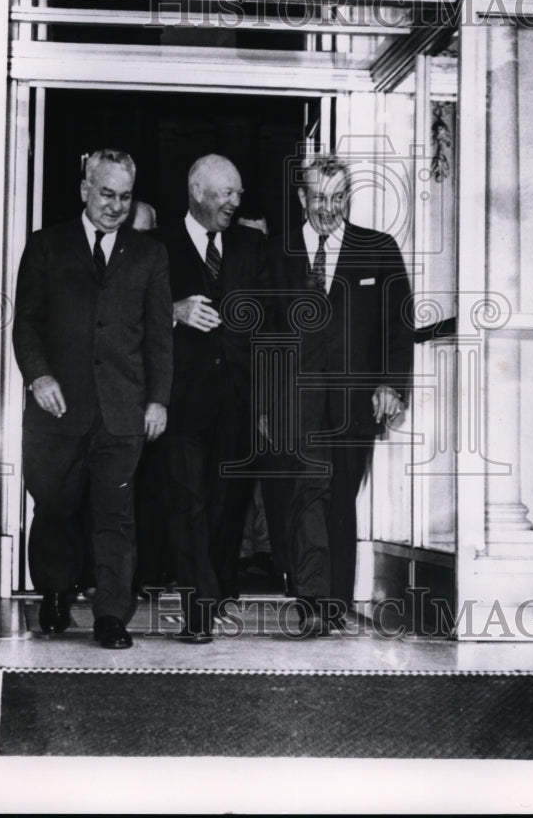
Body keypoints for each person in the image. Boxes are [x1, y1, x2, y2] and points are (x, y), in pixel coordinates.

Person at [12, 149, 173, 650]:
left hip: (122, 409)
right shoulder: (46, 246)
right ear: (85, 189)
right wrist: (38, 376)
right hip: (57, 409)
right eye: (106, 194)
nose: (115, 206)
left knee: (115, 515)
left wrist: (158, 400)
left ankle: (110, 616)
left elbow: (158, 337)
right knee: (54, 506)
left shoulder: (149, 255)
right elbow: (26, 324)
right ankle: (55, 591)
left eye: (125, 197)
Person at [265, 156, 412, 637]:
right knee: (309, 491)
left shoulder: (378, 248)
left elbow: (398, 325)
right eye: (318, 197)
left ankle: (334, 601)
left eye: (338, 197)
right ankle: (311, 599)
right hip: (296, 400)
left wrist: (392, 384)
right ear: (301, 198)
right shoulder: (278, 252)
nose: (328, 208)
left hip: (354, 401)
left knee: (340, 498)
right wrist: (265, 405)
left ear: (348, 197)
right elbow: (263, 333)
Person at [152, 154, 267, 642]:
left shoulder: (251, 246)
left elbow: (270, 324)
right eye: (226, 193)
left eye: (238, 193)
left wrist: (266, 402)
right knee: (188, 502)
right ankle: (197, 604)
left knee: (226, 505)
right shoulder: (156, 247)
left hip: (239, 401)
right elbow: (128, 314)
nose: (235, 202)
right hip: (180, 399)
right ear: (198, 192)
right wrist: (172, 311)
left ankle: (215, 588)